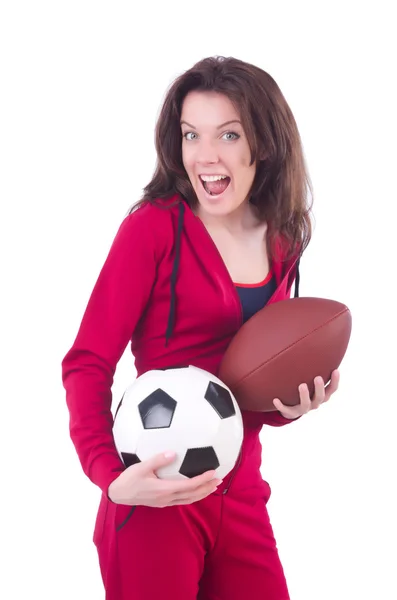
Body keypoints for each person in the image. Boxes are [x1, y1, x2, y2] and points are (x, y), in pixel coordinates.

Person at [61, 55, 340, 600]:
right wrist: (110, 477)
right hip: (156, 494)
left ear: (264, 143)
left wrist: (291, 405)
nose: (205, 157)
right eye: (192, 135)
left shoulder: (284, 237)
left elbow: (245, 386)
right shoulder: (153, 229)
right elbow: (87, 362)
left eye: (228, 135)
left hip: (241, 493)